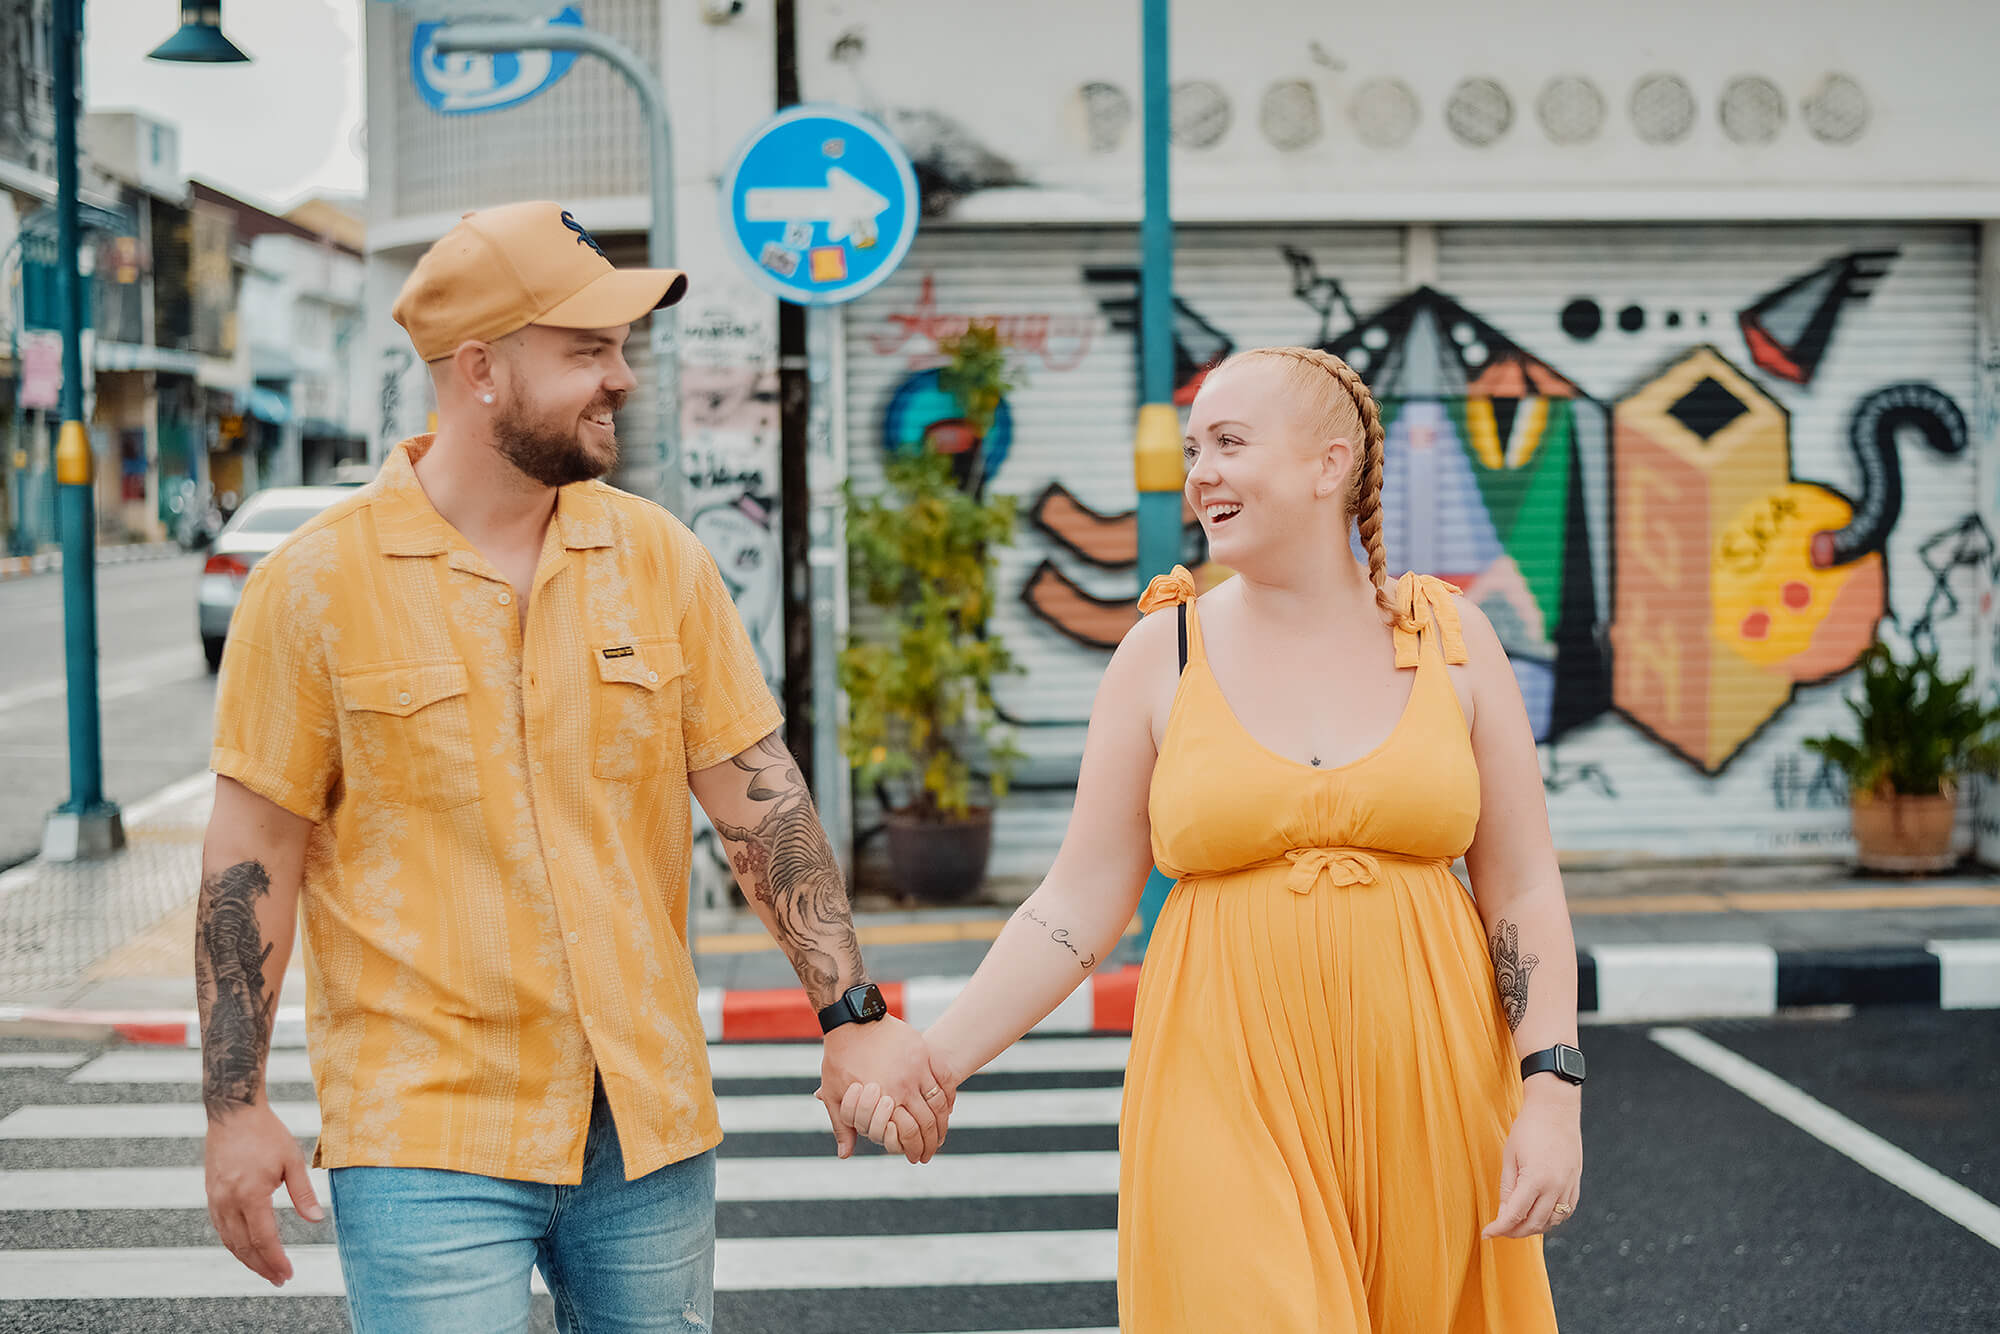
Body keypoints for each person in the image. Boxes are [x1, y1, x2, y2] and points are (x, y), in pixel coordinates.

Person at [195, 200, 954, 1332]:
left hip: (643, 1124)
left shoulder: (658, 559)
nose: (622, 378)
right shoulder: (312, 588)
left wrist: (850, 1010)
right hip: (427, 1133)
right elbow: (251, 858)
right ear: (482, 369)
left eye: (622, 348)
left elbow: (759, 797)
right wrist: (234, 1107)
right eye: (587, 350)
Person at [834, 345, 1582, 1329]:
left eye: (1229, 442)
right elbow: (1074, 902)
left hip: (1431, 1092)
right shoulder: (1161, 650)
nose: (1201, 473)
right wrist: (934, 1061)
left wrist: (1551, 1093)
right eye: (1194, 449)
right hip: (1220, 1087)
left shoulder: (1449, 636)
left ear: (1329, 463)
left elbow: (1521, 888)